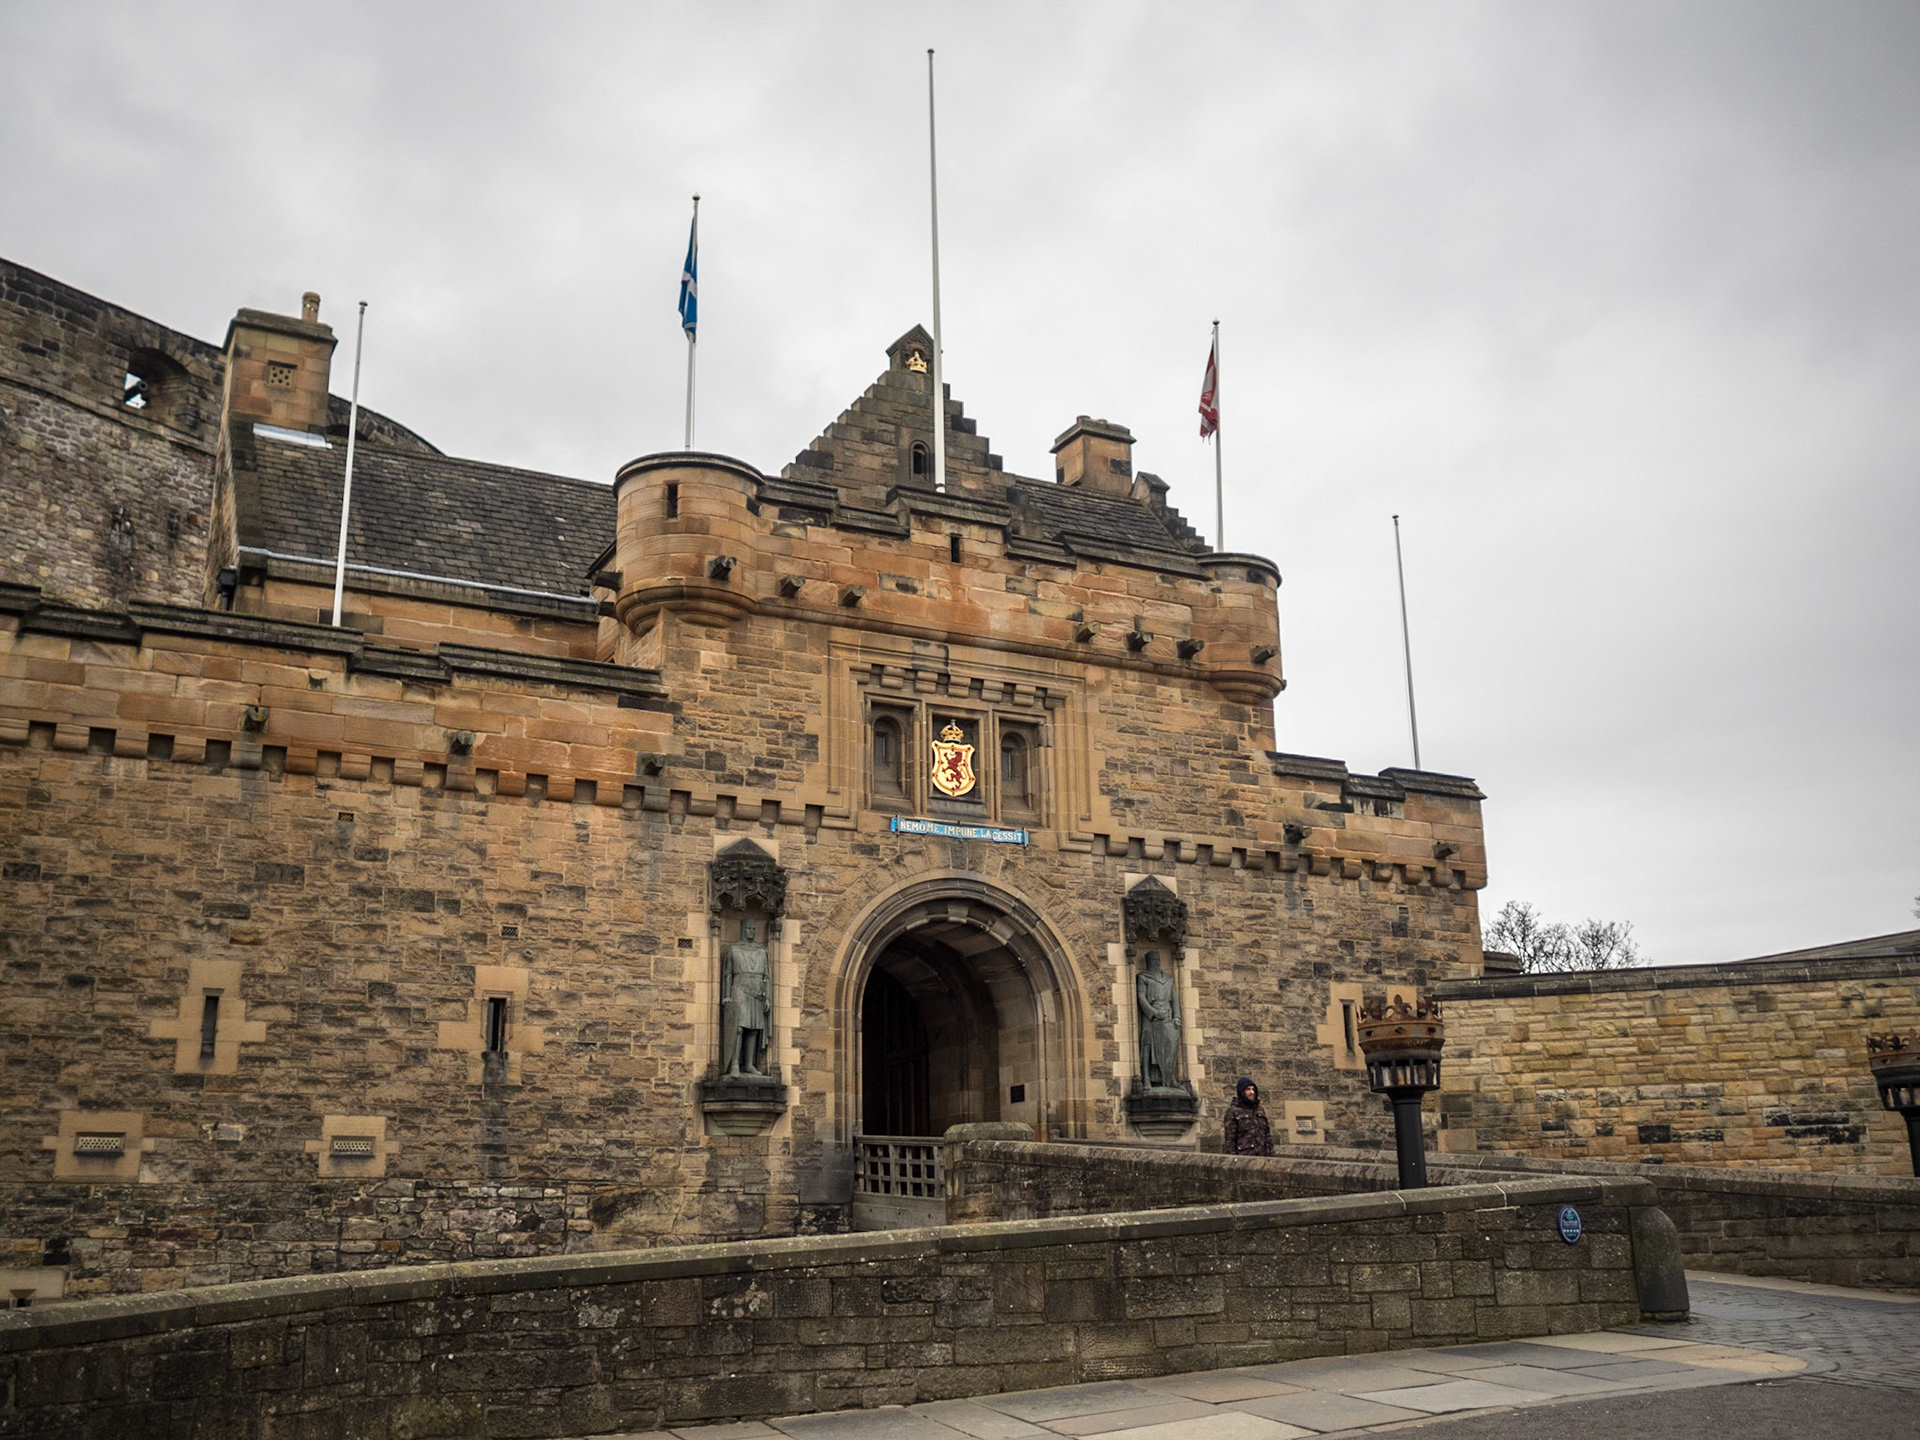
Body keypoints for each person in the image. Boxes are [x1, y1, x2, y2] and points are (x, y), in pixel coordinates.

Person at [1223, 1076, 1273, 1156]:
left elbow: (1267, 1136)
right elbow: (1230, 1141)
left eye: (1253, 1089)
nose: (1251, 1092)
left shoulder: (1259, 1110)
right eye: (1248, 1089)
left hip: (1263, 1157)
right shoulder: (1233, 1112)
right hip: (1245, 1158)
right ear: (1242, 1092)